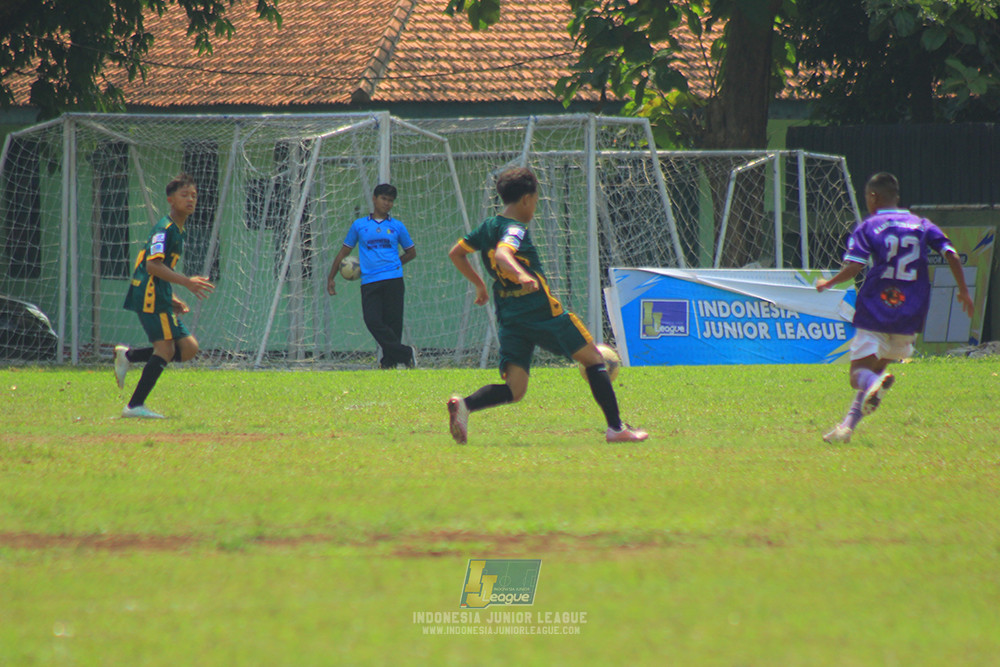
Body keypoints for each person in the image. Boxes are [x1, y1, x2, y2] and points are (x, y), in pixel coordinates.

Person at [446, 166, 648, 444]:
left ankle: (465, 405)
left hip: (509, 315)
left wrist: (480, 285)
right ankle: (616, 428)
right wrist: (521, 275)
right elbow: (503, 255)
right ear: (527, 199)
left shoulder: (488, 226)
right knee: (594, 359)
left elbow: (456, 253)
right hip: (540, 311)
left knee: (515, 390)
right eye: (536, 200)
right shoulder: (515, 228)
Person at [816, 172, 974, 443]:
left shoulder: (869, 226)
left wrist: (828, 282)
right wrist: (963, 290)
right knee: (875, 372)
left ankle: (872, 388)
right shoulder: (922, 224)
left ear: (873, 196)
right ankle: (846, 428)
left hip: (876, 309)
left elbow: (855, 266)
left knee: (858, 376)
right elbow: (952, 254)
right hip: (910, 313)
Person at [115, 172, 215, 418]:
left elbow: (159, 268)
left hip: (159, 293)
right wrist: (187, 282)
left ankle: (129, 356)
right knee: (165, 350)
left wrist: (171, 297)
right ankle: (134, 406)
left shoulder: (178, 229)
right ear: (170, 199)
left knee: (188, 348)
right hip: (149, 295)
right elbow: (152, 266)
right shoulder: (164, 229)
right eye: (184, 195)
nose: (190, 199)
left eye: (194, 195)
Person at [327, 183, 417, 369]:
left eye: (390, 200)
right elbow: (344, 252)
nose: (387, 203)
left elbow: (411, 252)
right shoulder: (359, 225)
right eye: (383, 199)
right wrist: (331, 277)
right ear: (374, 199)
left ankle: (388, 364)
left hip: (393, 280)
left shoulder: (397, 226)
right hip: (369, 281)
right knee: (372, 321)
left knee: (393, 324)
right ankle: (406, 353)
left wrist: (394, 265)